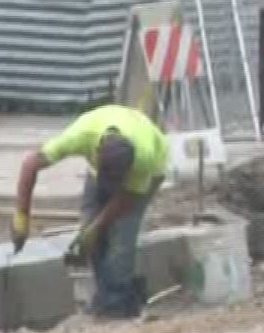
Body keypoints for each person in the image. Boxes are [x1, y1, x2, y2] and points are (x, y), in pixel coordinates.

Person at [13, 103, 169, 319]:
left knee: (122, 232)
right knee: (90, 227)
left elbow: (126, 198)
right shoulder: (81, 135)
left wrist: (97, 227)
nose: (112, 186)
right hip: (109, 147)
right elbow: (30, 164)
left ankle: (118, 301)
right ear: (96, 152)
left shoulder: (144, 159)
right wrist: (21, 216)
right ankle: (107, 291)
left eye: (117, 180)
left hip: (151, 171)